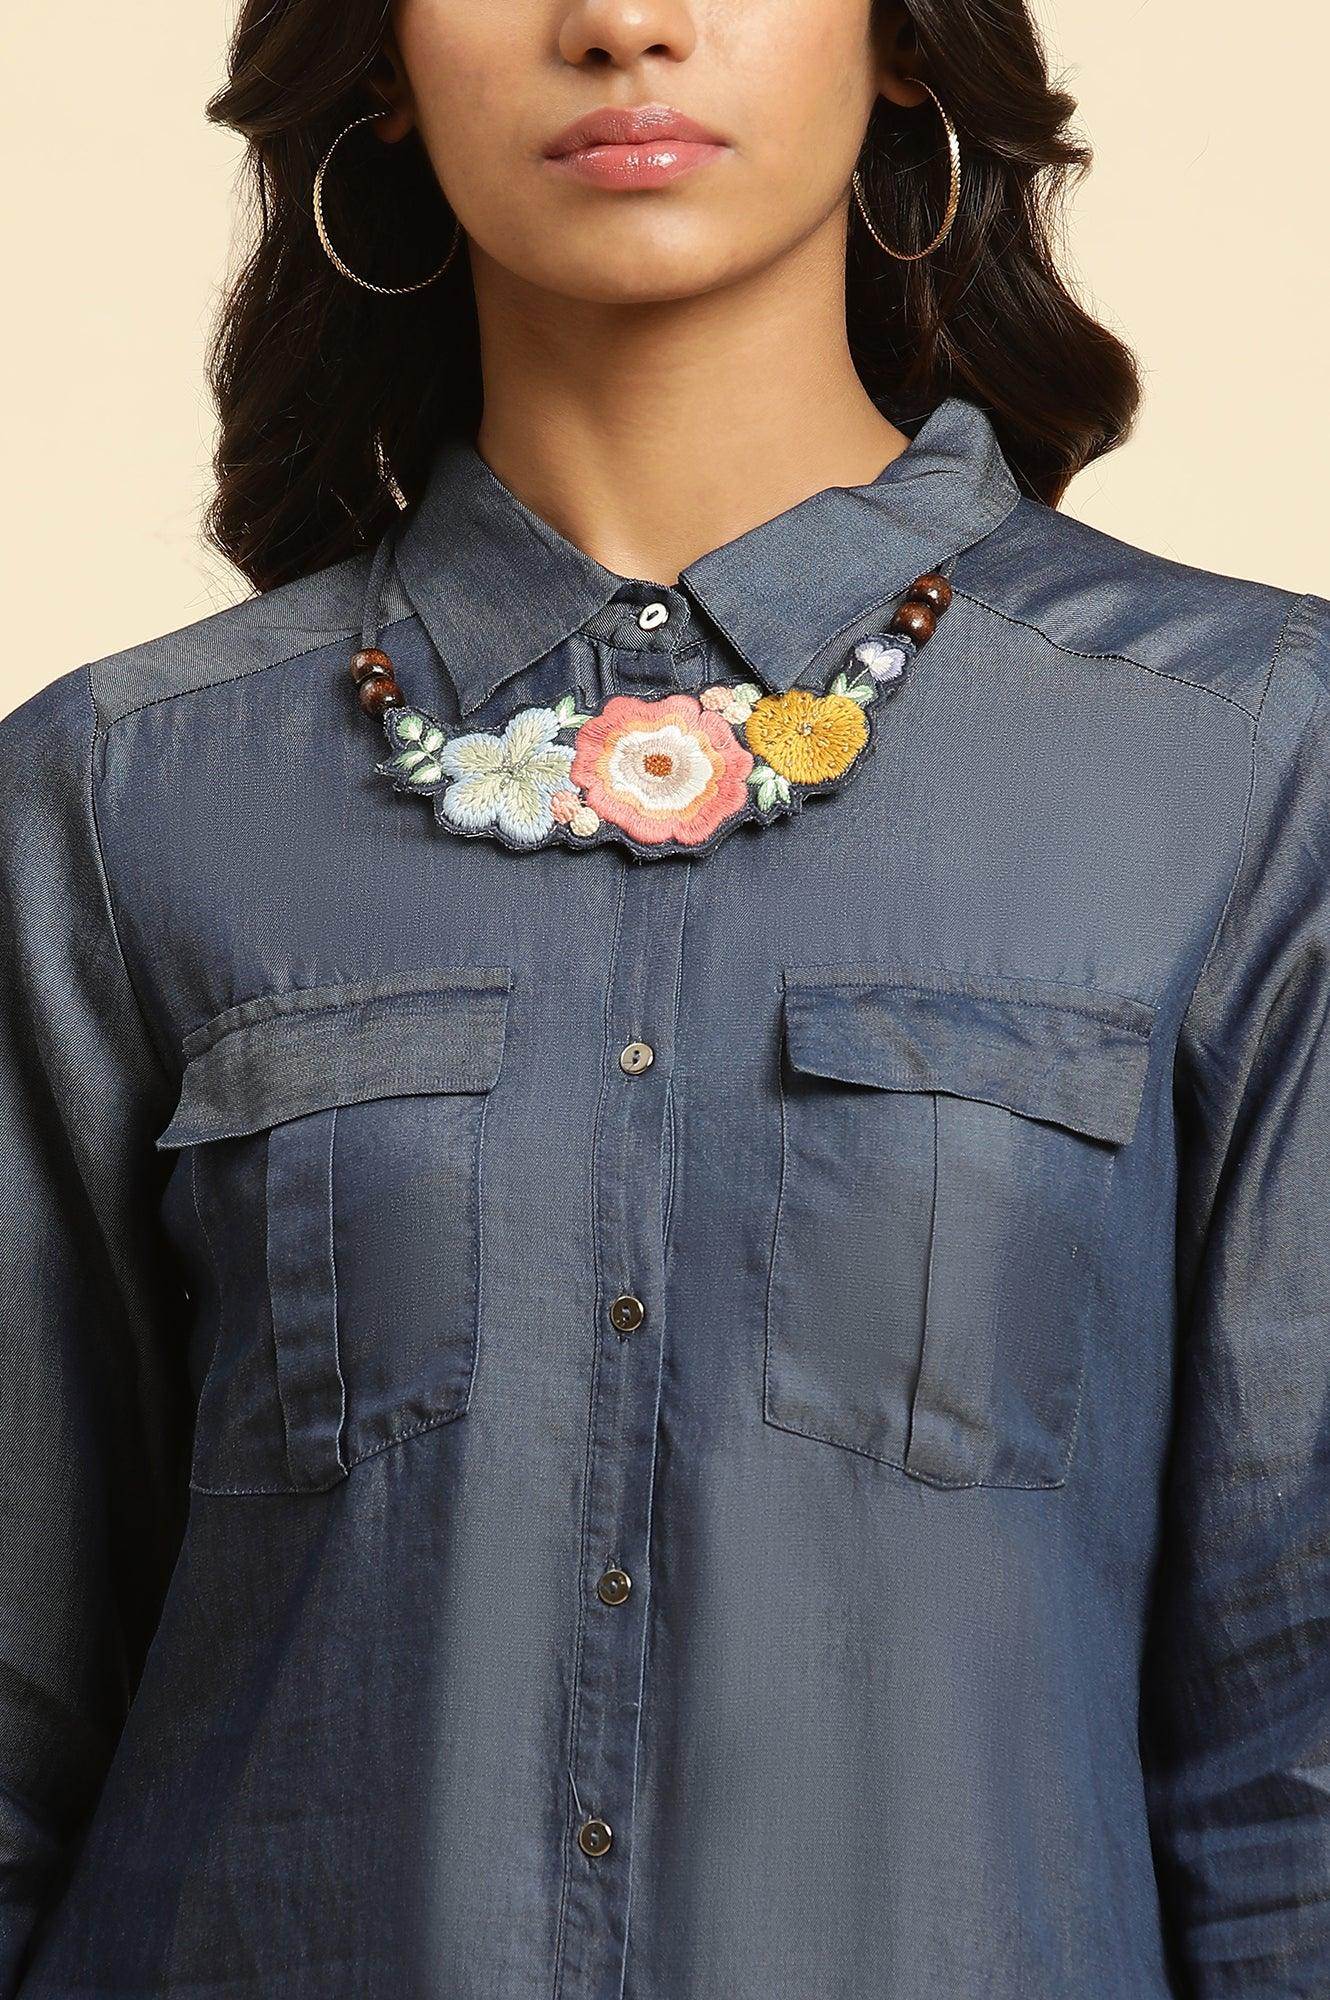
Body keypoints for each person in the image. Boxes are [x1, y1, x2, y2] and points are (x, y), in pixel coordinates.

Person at [1, 0, 1326, 1993]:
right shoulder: (120, 796)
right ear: (381, 64)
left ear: (901, 42)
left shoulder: (1237, 758)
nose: (621, 23)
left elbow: (1294, 1742)